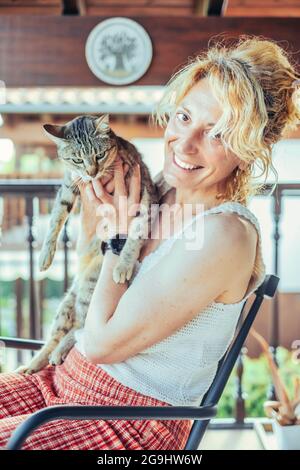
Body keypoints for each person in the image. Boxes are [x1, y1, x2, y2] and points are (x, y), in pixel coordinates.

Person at [0, 35, 299, 450]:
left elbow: (103, 344)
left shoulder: (225, 234)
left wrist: (117, 238)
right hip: (62, 381)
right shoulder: (161, 191)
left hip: (125, 421)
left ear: (249, 148)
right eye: (183, 117)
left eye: (216, 134)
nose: (185, 144)